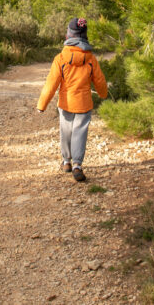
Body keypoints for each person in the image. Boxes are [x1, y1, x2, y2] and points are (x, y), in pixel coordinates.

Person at [37, 17, 107, 182]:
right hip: (84, 103)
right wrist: (103, 94)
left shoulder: (60, 58)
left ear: (69, 35)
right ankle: (77, 165)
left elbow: (51, 84)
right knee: (80, 132)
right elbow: (100, 81)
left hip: (66, 102)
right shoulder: (90, 58)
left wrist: (42, 104)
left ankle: (66, 161)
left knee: (66, 131)